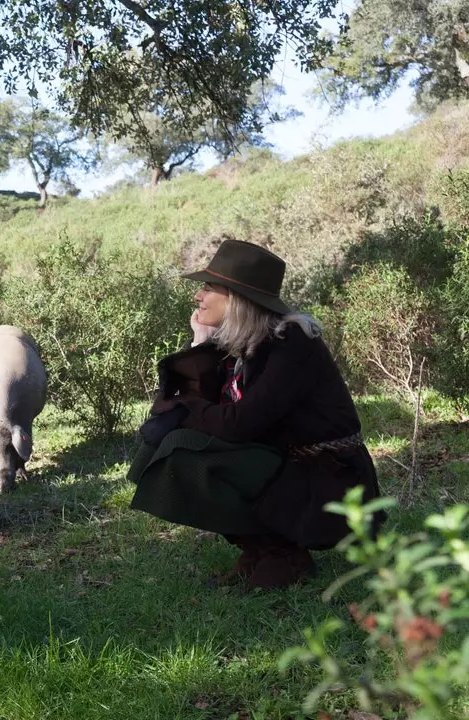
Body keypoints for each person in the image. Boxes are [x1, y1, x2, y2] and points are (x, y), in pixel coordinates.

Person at [128, 238, 384, 590]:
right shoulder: (243, 340)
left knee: (186, 451)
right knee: (167, 442)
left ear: (235, 297)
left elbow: (237, 424)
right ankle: (257, 549)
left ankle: (285, 556)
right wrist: (201, 343)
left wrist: (187, 409)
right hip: (284, 465)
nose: (197, 296)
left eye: (208, 287)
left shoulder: (292, 342)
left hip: (325, 478)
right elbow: (212, 411)